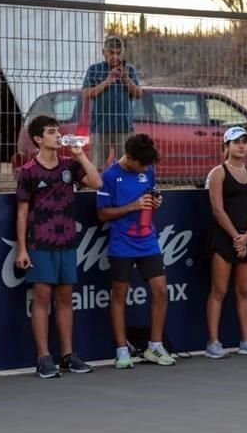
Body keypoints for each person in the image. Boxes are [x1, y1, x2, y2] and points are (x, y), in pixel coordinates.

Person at [14, 115, 103, 378]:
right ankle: (43, 357)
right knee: (42, 298)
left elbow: (97, 183)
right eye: (52, 132)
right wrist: (22, 248)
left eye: (58, 131)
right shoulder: (28, 172)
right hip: (40, 242)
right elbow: (21, 213)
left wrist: (81, 155)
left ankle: (67, 355)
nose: (58, 135)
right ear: (39, 139)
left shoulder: (69, 165)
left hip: (67, 242)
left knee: (65, 298)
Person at [96, 133, 175, 368]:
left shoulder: (148, 170)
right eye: (142, 163)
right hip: (121, 243)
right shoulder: (109, 176)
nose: (147, 167)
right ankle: (122, 350)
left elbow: (150, 196)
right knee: (120, 294)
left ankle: (155, 346)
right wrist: (133, 206)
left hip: (148, 240)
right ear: (129, 158)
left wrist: (155, 202)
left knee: (161, 290)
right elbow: (102, 214)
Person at [203, 127, 247, 359]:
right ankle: (213, 342)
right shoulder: (218, 173)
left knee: (244, 291)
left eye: (245, 142)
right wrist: (234, 236)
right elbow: (217, 210)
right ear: (227, 146)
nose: (242, 146)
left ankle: (246, 340)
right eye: (236, 142)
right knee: (219, 290)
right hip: (223, 238)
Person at [82, 36, 142, 167]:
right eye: (111, 53)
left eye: (118, 53)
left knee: (127, 165)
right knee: (97, 166)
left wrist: (126, 79)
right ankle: (100, 188)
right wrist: (107, 81)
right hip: (100, 126)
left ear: (123, 52)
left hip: (124, 126)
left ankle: (123, 187)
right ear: (104, 52)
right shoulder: (94, 69)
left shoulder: (129, 70)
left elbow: (138, 94)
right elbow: (86, 94)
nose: (115, 56)